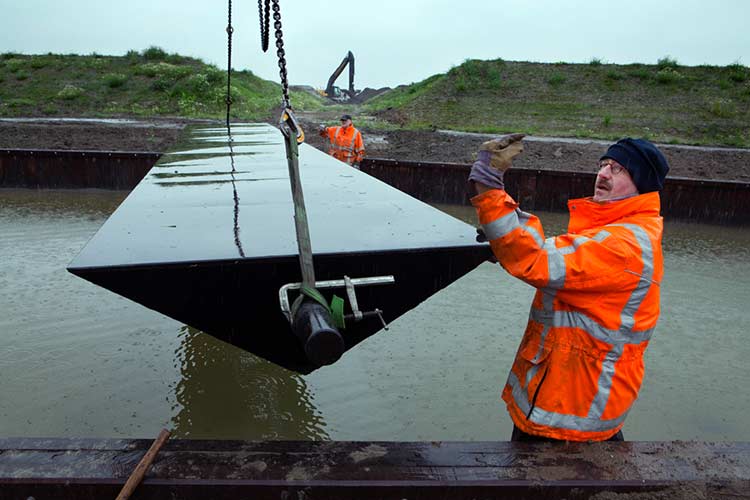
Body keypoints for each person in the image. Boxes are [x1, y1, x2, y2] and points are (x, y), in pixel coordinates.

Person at [468, 134, 669, 442]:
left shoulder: (622, 245)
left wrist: (488, 181)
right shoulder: (616, 232)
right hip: (570, 405)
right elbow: (562, 260)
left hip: (567, 422)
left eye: (618, 169)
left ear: (641, 183)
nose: (602, 174)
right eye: (603, 165)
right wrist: (505, 243)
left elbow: (533, 258)